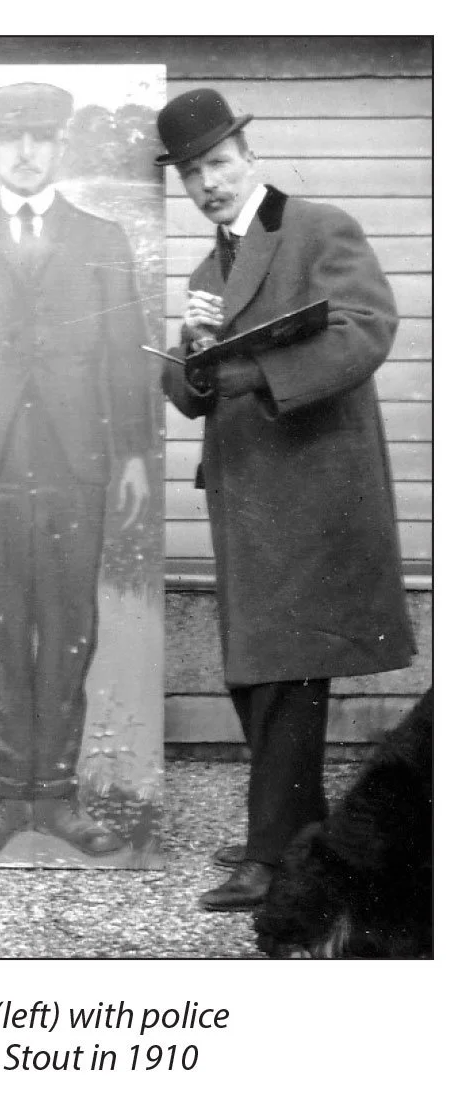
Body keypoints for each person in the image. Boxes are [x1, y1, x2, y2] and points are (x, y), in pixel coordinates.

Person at [154, 88, 415, 910]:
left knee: (284, 674)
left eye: (218, 163)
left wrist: (255, 373)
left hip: (312, 491)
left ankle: (275, 858)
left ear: (249, 157)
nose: (208, 184)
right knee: (255, 673)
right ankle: (296, 829)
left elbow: (367, 326)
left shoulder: (317, 227)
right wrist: (194, 348)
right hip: (246, 499)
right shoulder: (207, 273)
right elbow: (191, 394)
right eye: (192, 173)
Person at [0, 82, 153, 857]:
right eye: (11, 138)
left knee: (70, 628)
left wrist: (134, 456)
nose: (25, 152)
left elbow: (126, 355)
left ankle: (57, 797)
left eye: (40, 137)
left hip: (77, 463)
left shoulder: (101, 237)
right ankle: (5, 798)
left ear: (59, 147)